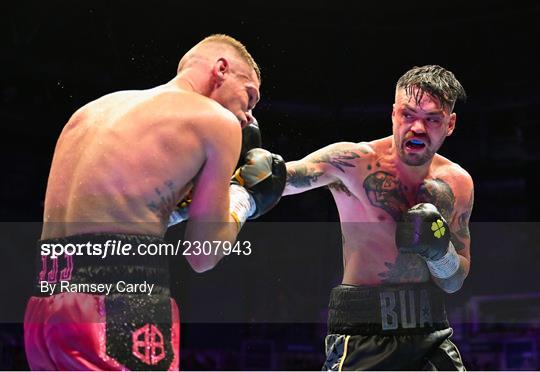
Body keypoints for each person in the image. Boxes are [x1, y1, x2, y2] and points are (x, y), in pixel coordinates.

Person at [24, 34, 285, 371]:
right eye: (249, 97)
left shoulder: (92, 111)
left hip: (44, 306)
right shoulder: (216, 122)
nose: (249, 117)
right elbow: (201, 254)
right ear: (221, 69)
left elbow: (109, 222)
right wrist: (244, 199)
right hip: (121, 304)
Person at [283, 65, 472, 370]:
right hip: (361, 333)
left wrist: (441, 253)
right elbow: (282, 180)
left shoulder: (458, 183)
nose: (418, 128)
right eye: (408, 115)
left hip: (430, 332)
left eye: (432, 119)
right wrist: (241, 181)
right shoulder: (353, 162)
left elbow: (454, 281)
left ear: (449, 124)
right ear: (394, 113)